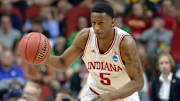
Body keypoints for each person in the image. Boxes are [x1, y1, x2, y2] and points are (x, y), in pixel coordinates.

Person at [44, 2, 144, 101]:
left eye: (101, 23)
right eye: (94, 22)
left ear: (112, 22)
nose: (96, 28)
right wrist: (42, 58)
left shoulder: (125, 43)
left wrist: (111, 96)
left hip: (123, 94)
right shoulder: (85, 37)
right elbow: (63, 63)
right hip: (95, 91)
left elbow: (138, 82)